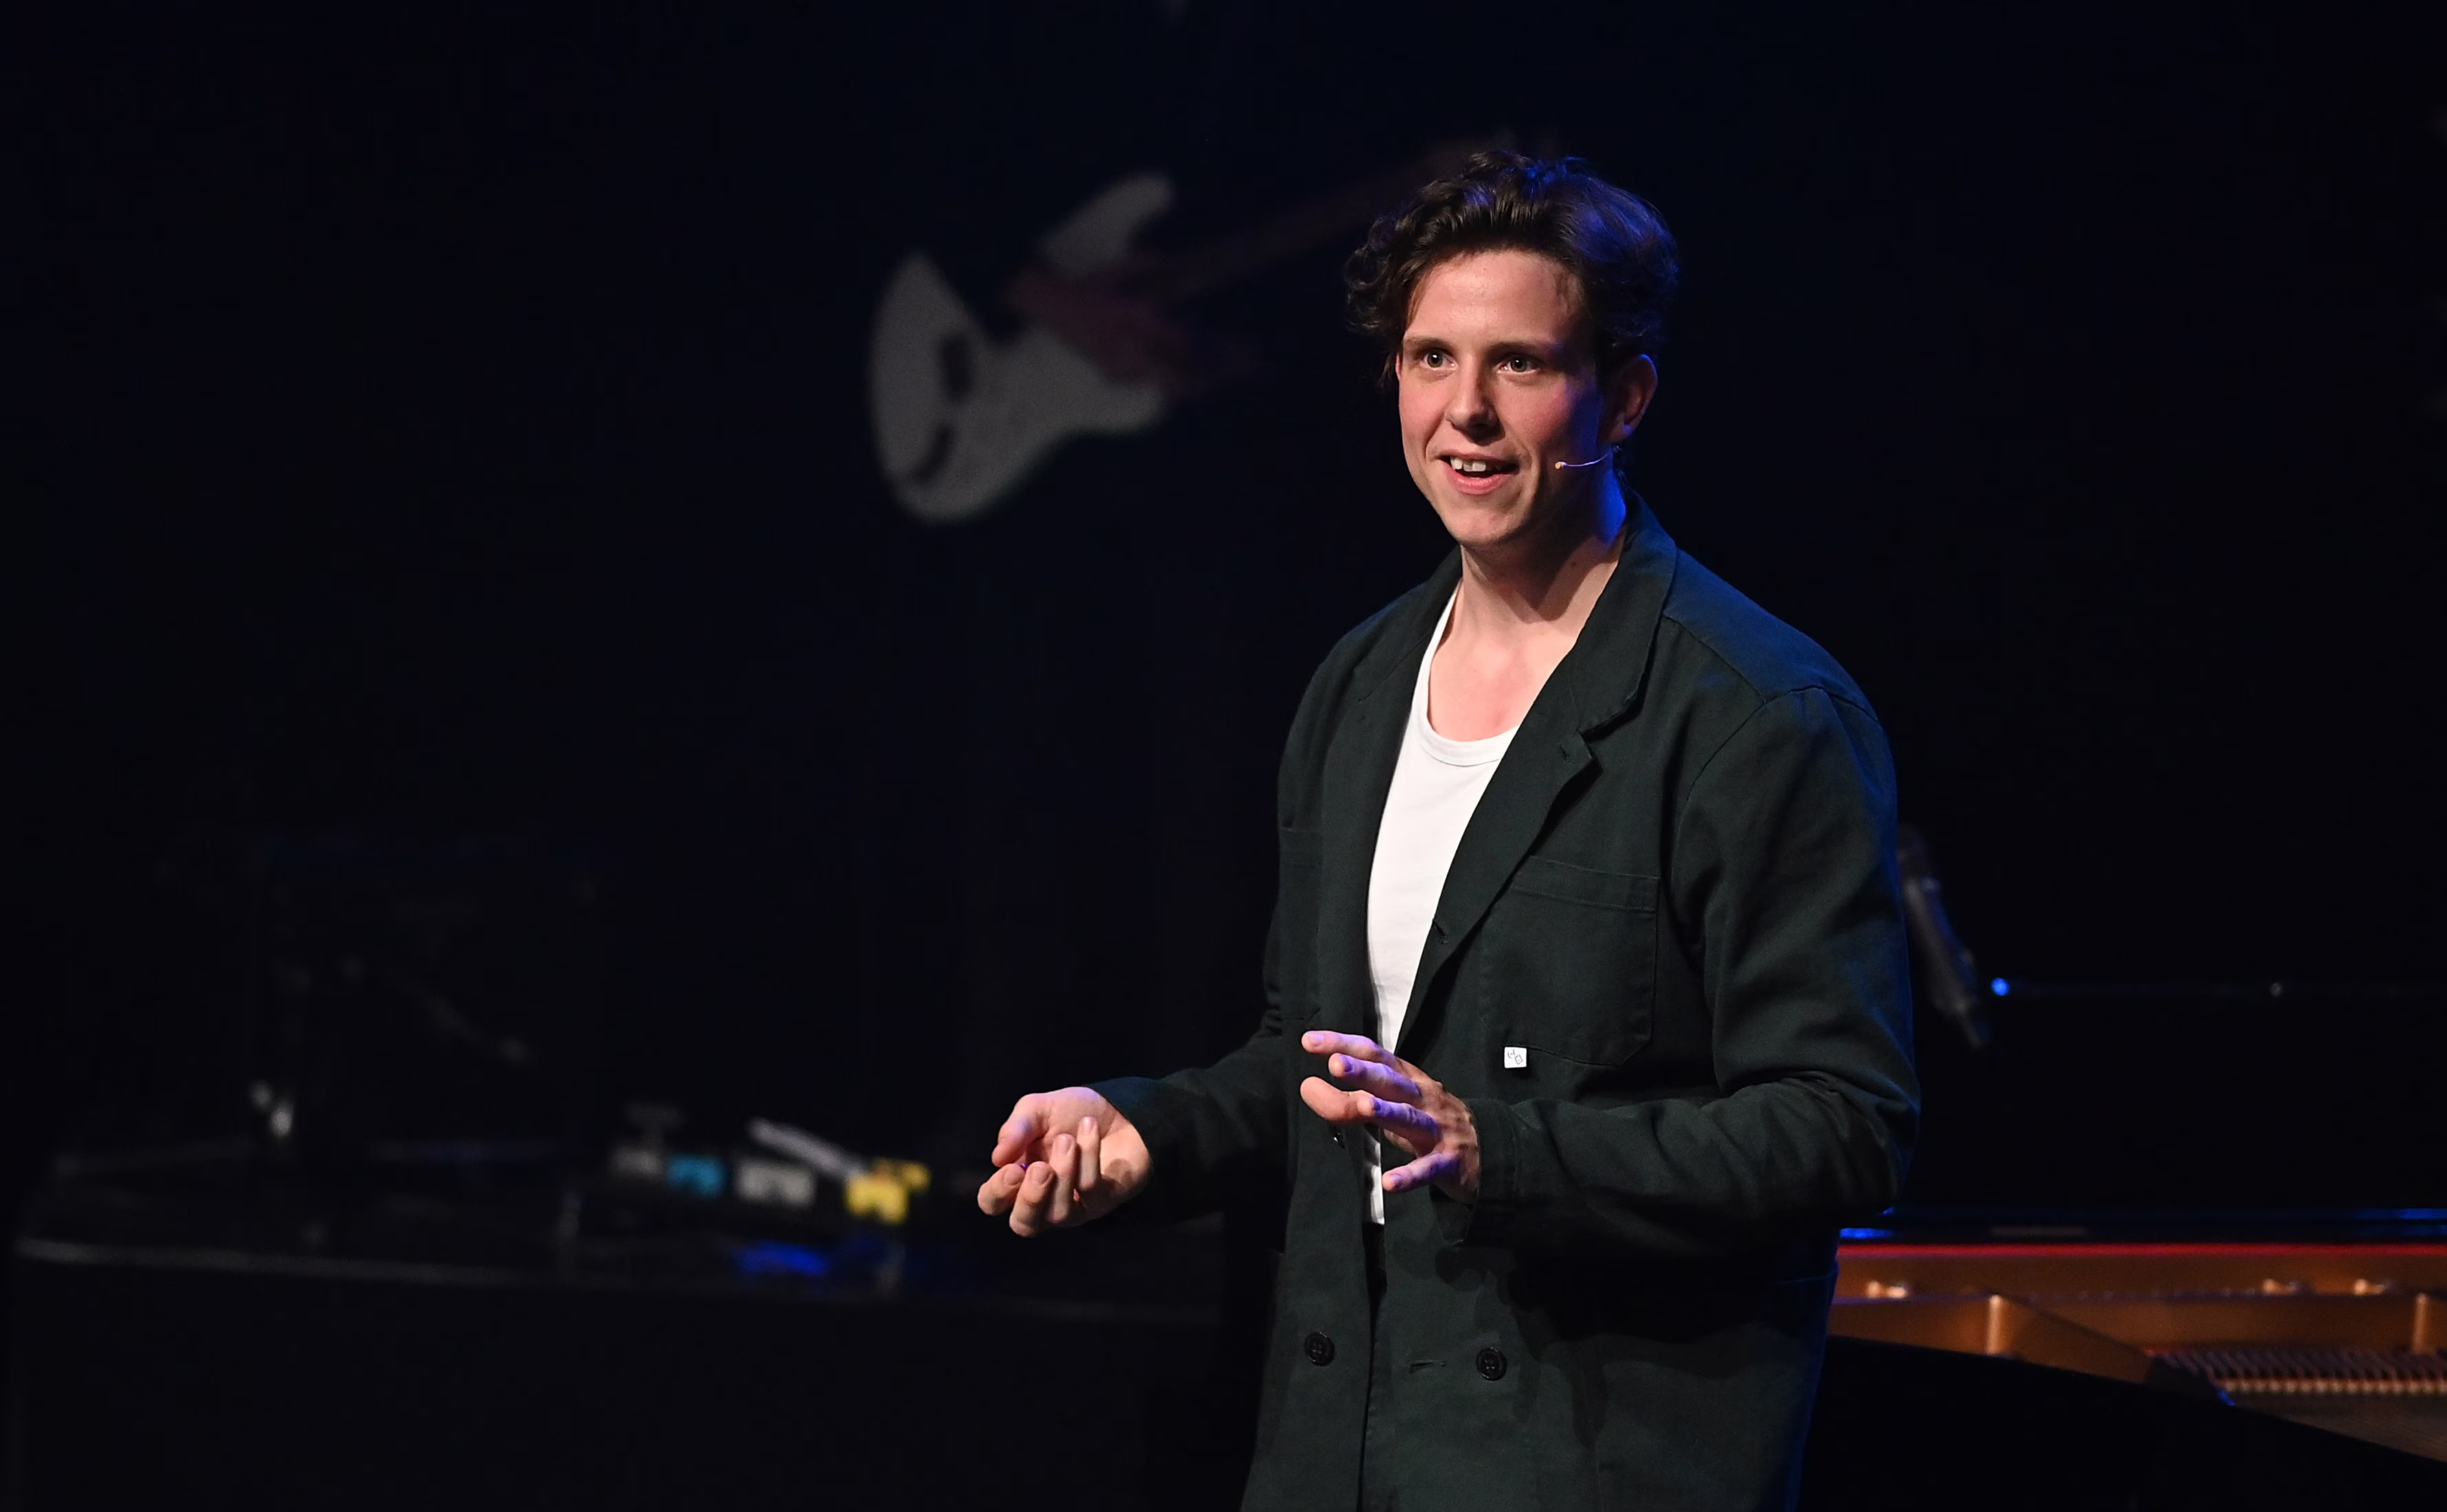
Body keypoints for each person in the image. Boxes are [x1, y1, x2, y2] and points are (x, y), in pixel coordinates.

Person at [977, 151, 1918, 1512]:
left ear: (1626, 396)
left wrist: (1503, 1150)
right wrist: (1146, 1131)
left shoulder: (1756, 715)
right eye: (1431, 359)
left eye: (1519, 364)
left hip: (1593, 1460)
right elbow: (1313, 1063)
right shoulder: (1360, 682)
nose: (1464, 411)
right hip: (1339, 1445)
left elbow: (1841, 1126)